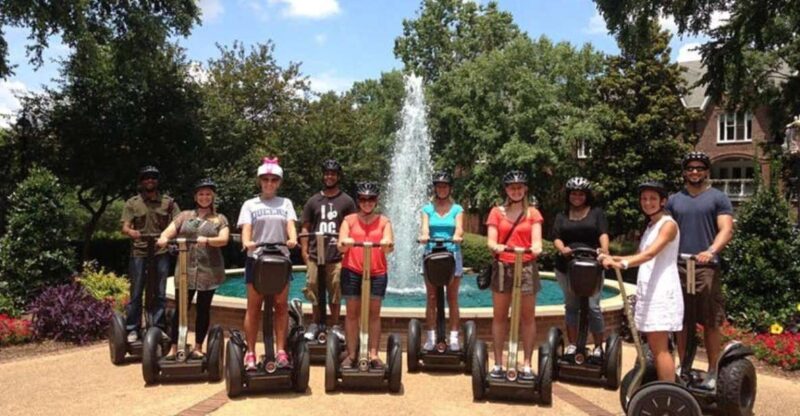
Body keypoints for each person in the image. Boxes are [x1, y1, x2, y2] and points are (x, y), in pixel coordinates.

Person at [601, 181, 682, 382]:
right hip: (650, 290)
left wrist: (623, 264)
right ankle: (662, 393)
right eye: (644, 199)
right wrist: (609, 258)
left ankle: (668, 397)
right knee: (655, 347)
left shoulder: (668, 225)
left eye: (653, 199)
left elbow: (650, 254)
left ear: (663, 201)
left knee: (660, 348)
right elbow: (639, 254)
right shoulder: (651, 226)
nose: (648, 203)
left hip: (662, 291)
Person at [667, 151, 734, 389]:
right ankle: (683, 366)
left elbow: (726, 229)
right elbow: (666, 231)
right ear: (684, 171)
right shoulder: (674, 200)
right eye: (690, 168)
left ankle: (713, 370)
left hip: (706, 266)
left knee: (709, 320)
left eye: (699, 168)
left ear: (706, 171)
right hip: (680, 265)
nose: (695, 172)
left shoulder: (717, 198)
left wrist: (711, 250)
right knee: (682, 320)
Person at [157, 178, 229, 359]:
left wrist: (208, 241)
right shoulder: (184, 216)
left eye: (208, 194)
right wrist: (164, 238)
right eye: (201, 194)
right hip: (185, 270)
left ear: (213, 197)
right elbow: (169, 231)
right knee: (181, 309)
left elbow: (224, 239)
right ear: (195, 196)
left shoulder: (219, 219)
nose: (204, 197)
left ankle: (198, 347)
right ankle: (175, 347)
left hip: (209, 272)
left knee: (203, 309)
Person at [237, 157, 298, 371]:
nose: (269, 183)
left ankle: (281, 351)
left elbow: (291, 225)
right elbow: (246, 228)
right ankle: (251, 352)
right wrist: (247, 241)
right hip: (257, 259)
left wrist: (292, 239)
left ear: (279, 182)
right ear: (260, 181)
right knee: (254, 307)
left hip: (280, 260)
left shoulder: (286, 203)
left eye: (273, 180)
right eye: (266, 179)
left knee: (281, 306)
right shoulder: (250, 204)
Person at [485, 170, 544, 380]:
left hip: (526, 267)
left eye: (520, 187)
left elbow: (537, 240)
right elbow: (491, 241)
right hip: (503, 267)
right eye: (512, 187)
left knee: (528, 318)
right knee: (500, 317)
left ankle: (527, 364)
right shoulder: (496, 212)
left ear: (525, 189)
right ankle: (499, 363)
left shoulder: (533, 213)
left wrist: (536, 247)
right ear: (506, 190)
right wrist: (496, 246)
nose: (516, 191)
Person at [337, 182, 394, 369]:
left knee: (374, 314)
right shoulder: (349, 220)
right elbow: (340, 244)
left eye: (370, 199)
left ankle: (374, 355)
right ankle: (352, 354)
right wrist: (346, 242)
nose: (367, 202)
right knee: (352, 313)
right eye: (363, 199)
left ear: (376, 201)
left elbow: (389, 243)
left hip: (377, 271)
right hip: (352, 270)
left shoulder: (384, 221)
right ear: (358, 200)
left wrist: (386, 242)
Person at [552, 177, 610, 360]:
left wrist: (605, 251)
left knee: (593, 306)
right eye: (574, 194)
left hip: (592, 266)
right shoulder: (562, 215)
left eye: (581, 194)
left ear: (587, 196)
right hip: (567, 266)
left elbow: (603, 234)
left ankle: (599, 346)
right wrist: (562, 249)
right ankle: (572, 344)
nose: (577, 197)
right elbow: (556, 236)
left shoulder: (596, 213)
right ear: (568, 195)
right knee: (572, 306)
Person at [121, 166, 179, 342]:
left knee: (160, 292)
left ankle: (157, 327)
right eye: (146, 178)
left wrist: (169, 237)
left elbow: (178, 223)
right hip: (139, 251)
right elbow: (124, 227)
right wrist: (132, 233)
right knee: (137, 291)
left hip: (160, 252)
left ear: (157, 181)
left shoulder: (168, 203)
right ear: (142, 181)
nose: (150, 181)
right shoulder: (133, 203)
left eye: (153, 178)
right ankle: (132, 328)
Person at [300, 159, 356, 335]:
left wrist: (348, 252)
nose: (329, 176)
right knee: (313, 287)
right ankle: (315, 323)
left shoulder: (346, 201)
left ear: (338, 176)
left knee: (336, 289)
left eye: (333, 173)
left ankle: (335, 325)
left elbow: (352, 226)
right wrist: (304, 251)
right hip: (316, 253)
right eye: (327, 173)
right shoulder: (313, 201)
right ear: (323, 175)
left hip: (337, 254)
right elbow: (305, 227)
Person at [418, 170, 464, 351]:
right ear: (435, 188)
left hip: (452, 253)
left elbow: (459, 228)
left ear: (450, 188)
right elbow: (424, 228)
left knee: (452, 298)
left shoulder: (457, 209)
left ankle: (453, 337)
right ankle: (430, 336)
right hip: (431, 253)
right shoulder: (427, 209)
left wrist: (457, 236)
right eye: (439, 186)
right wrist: (424, 235)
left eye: (445, 186)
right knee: (431, 297)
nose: (442, 189)